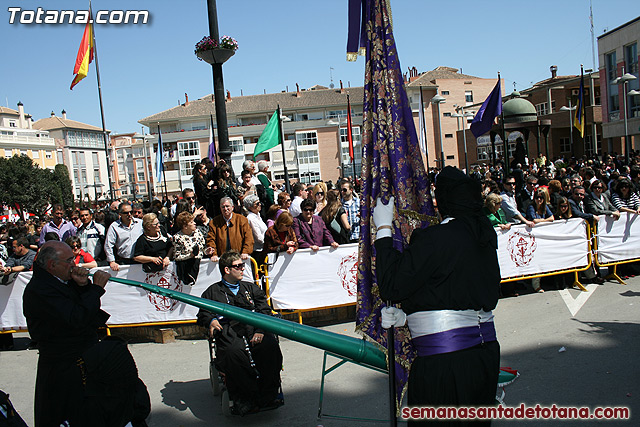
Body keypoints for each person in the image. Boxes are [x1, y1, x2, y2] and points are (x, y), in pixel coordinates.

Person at [373, 166, 500, 416]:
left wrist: (384, 228)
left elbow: (392, 285)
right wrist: (410, 316)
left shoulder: (436, 238)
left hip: (446, 362)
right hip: (484, 355)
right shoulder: (483, 233)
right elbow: (453, 288)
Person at [22, 241, 150, 427]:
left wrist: (83, 287)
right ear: (52, 265)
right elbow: (76, 317)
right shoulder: (40, 289)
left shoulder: (61, 281)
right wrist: (96, 289)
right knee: (71, 414)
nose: (74, 265)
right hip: (64, 365)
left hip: (83, 357)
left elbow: (85, 311)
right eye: (69, 261)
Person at [196, 251, 283, 415]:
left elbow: (264, 309)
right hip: (228, 329)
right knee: (233, 353)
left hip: (254, 326)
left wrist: (260, 330)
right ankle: (244, 399)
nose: (243, 269)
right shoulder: (212, 292)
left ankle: (268, 395)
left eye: (242, 265)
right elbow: (203, 313)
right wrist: (210, 321)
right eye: (238, 266)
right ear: (227, 270)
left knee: (269, 347)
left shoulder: (251, 288)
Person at [205, 197, 254, 262]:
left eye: (227, 206)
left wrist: (245, 252)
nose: (225, 209)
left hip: (239, 257)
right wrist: (214, 254)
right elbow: (211, 240)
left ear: (232, 207)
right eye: (223, 207)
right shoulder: (214, 222)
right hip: (222, 258)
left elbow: (249, 238)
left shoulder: (242, 220)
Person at [104, 202, 144, 271]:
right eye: (126, 213)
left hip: (140, 260)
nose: (129, 214)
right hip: (124, 262)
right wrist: (112, 261)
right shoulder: (114, 226)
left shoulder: (140, 223)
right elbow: (108, 245)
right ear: (120, 214)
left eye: (131, 212)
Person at [172, 211, 206, 286]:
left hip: (201, 269)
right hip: (187, 269)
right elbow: (177, 257)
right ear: (185, 226)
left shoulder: (198, 233)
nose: (194, 223)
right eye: (191, 222)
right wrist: (190, 256)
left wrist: (207, 251)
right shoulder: (177, 238)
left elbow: (202, 249)